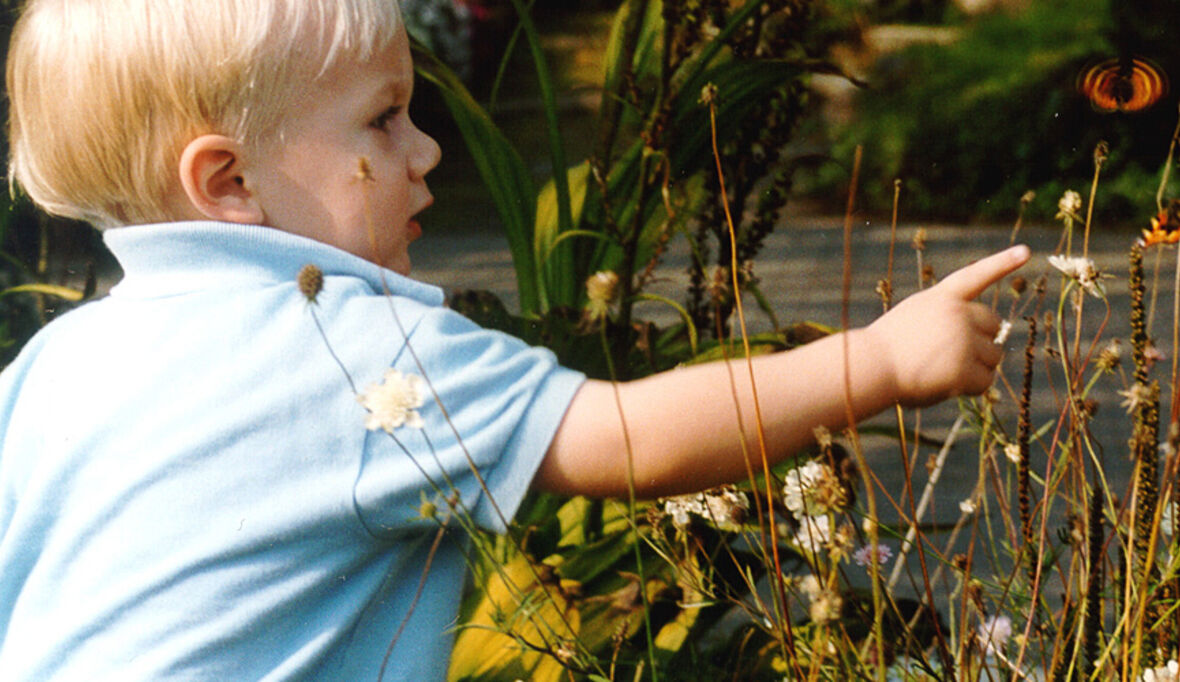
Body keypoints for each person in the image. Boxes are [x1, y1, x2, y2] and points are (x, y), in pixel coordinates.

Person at [0, 0, 1030, 679]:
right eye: (384, 120)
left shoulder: (56, 361)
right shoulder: (355, 352)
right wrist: (878, 360)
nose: (426, 151)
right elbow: (629, 438)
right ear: (229, 181)